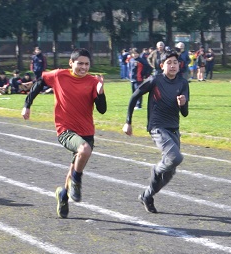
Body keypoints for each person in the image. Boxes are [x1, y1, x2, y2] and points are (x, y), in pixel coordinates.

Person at [21, 48, 106, 218]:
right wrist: (27, 105)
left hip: (87, 131)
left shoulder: (92, 81)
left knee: (75, 164)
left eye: (87, 64)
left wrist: (100, 92)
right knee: (84, 150)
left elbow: (102, 110)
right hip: (65, 129)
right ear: (71, 63)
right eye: (80, 63)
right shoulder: (59, 75)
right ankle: (77, 181)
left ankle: (63, 195)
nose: (83, 67)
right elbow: (39, 83)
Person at [123, 52, 190, 213]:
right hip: (157, 127)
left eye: (175, 62)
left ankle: (147, 195)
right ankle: (156, 169)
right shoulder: (155, 80)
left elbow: (185, 113)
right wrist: (128, 122)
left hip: (174, 129)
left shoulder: (183, 83)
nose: (173, 65)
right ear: (162, 66)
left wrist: (183, 103)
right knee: (175, 158)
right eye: (169, 62)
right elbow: (134, 96)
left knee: (170, 171)